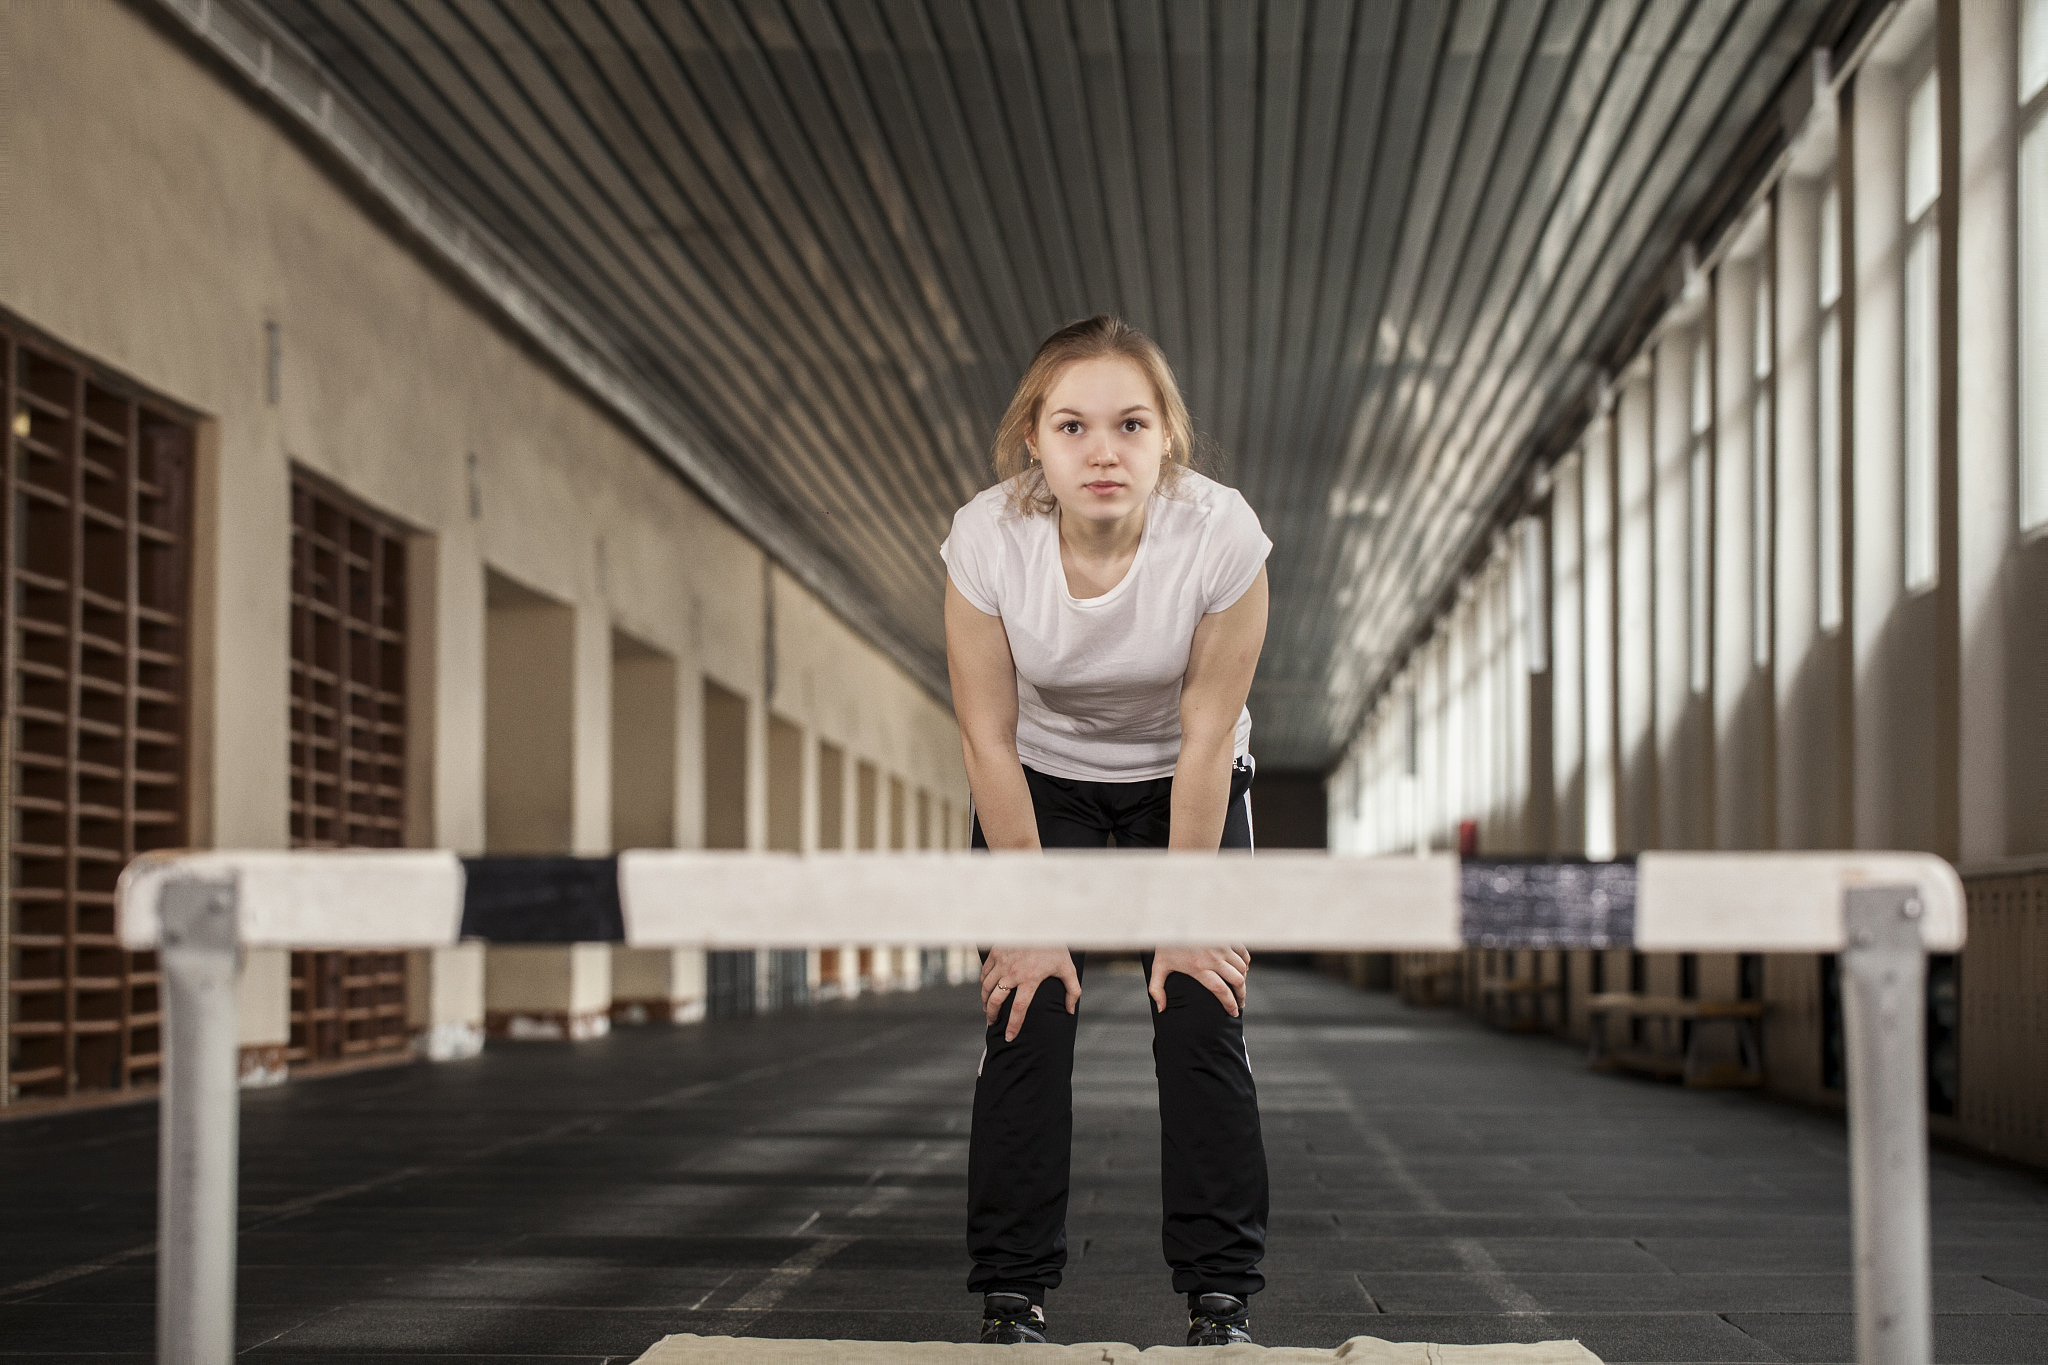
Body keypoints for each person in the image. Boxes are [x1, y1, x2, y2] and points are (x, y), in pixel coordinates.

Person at [940, 315, 1272, 1348]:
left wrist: (1180, 916)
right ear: (1031, 440)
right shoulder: (987, 538)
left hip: (1187, 777)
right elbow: (986, 740)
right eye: (1072, 424)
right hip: (1038, 783)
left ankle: (1219, 1299)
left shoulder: (1218, 534)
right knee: (1023, 1010)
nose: (1102, 449)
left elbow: (1207, 730)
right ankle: (1011, 1295)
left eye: (1129, 423)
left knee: (1198, 1010)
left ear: (1165, 436)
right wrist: (1030, 918)